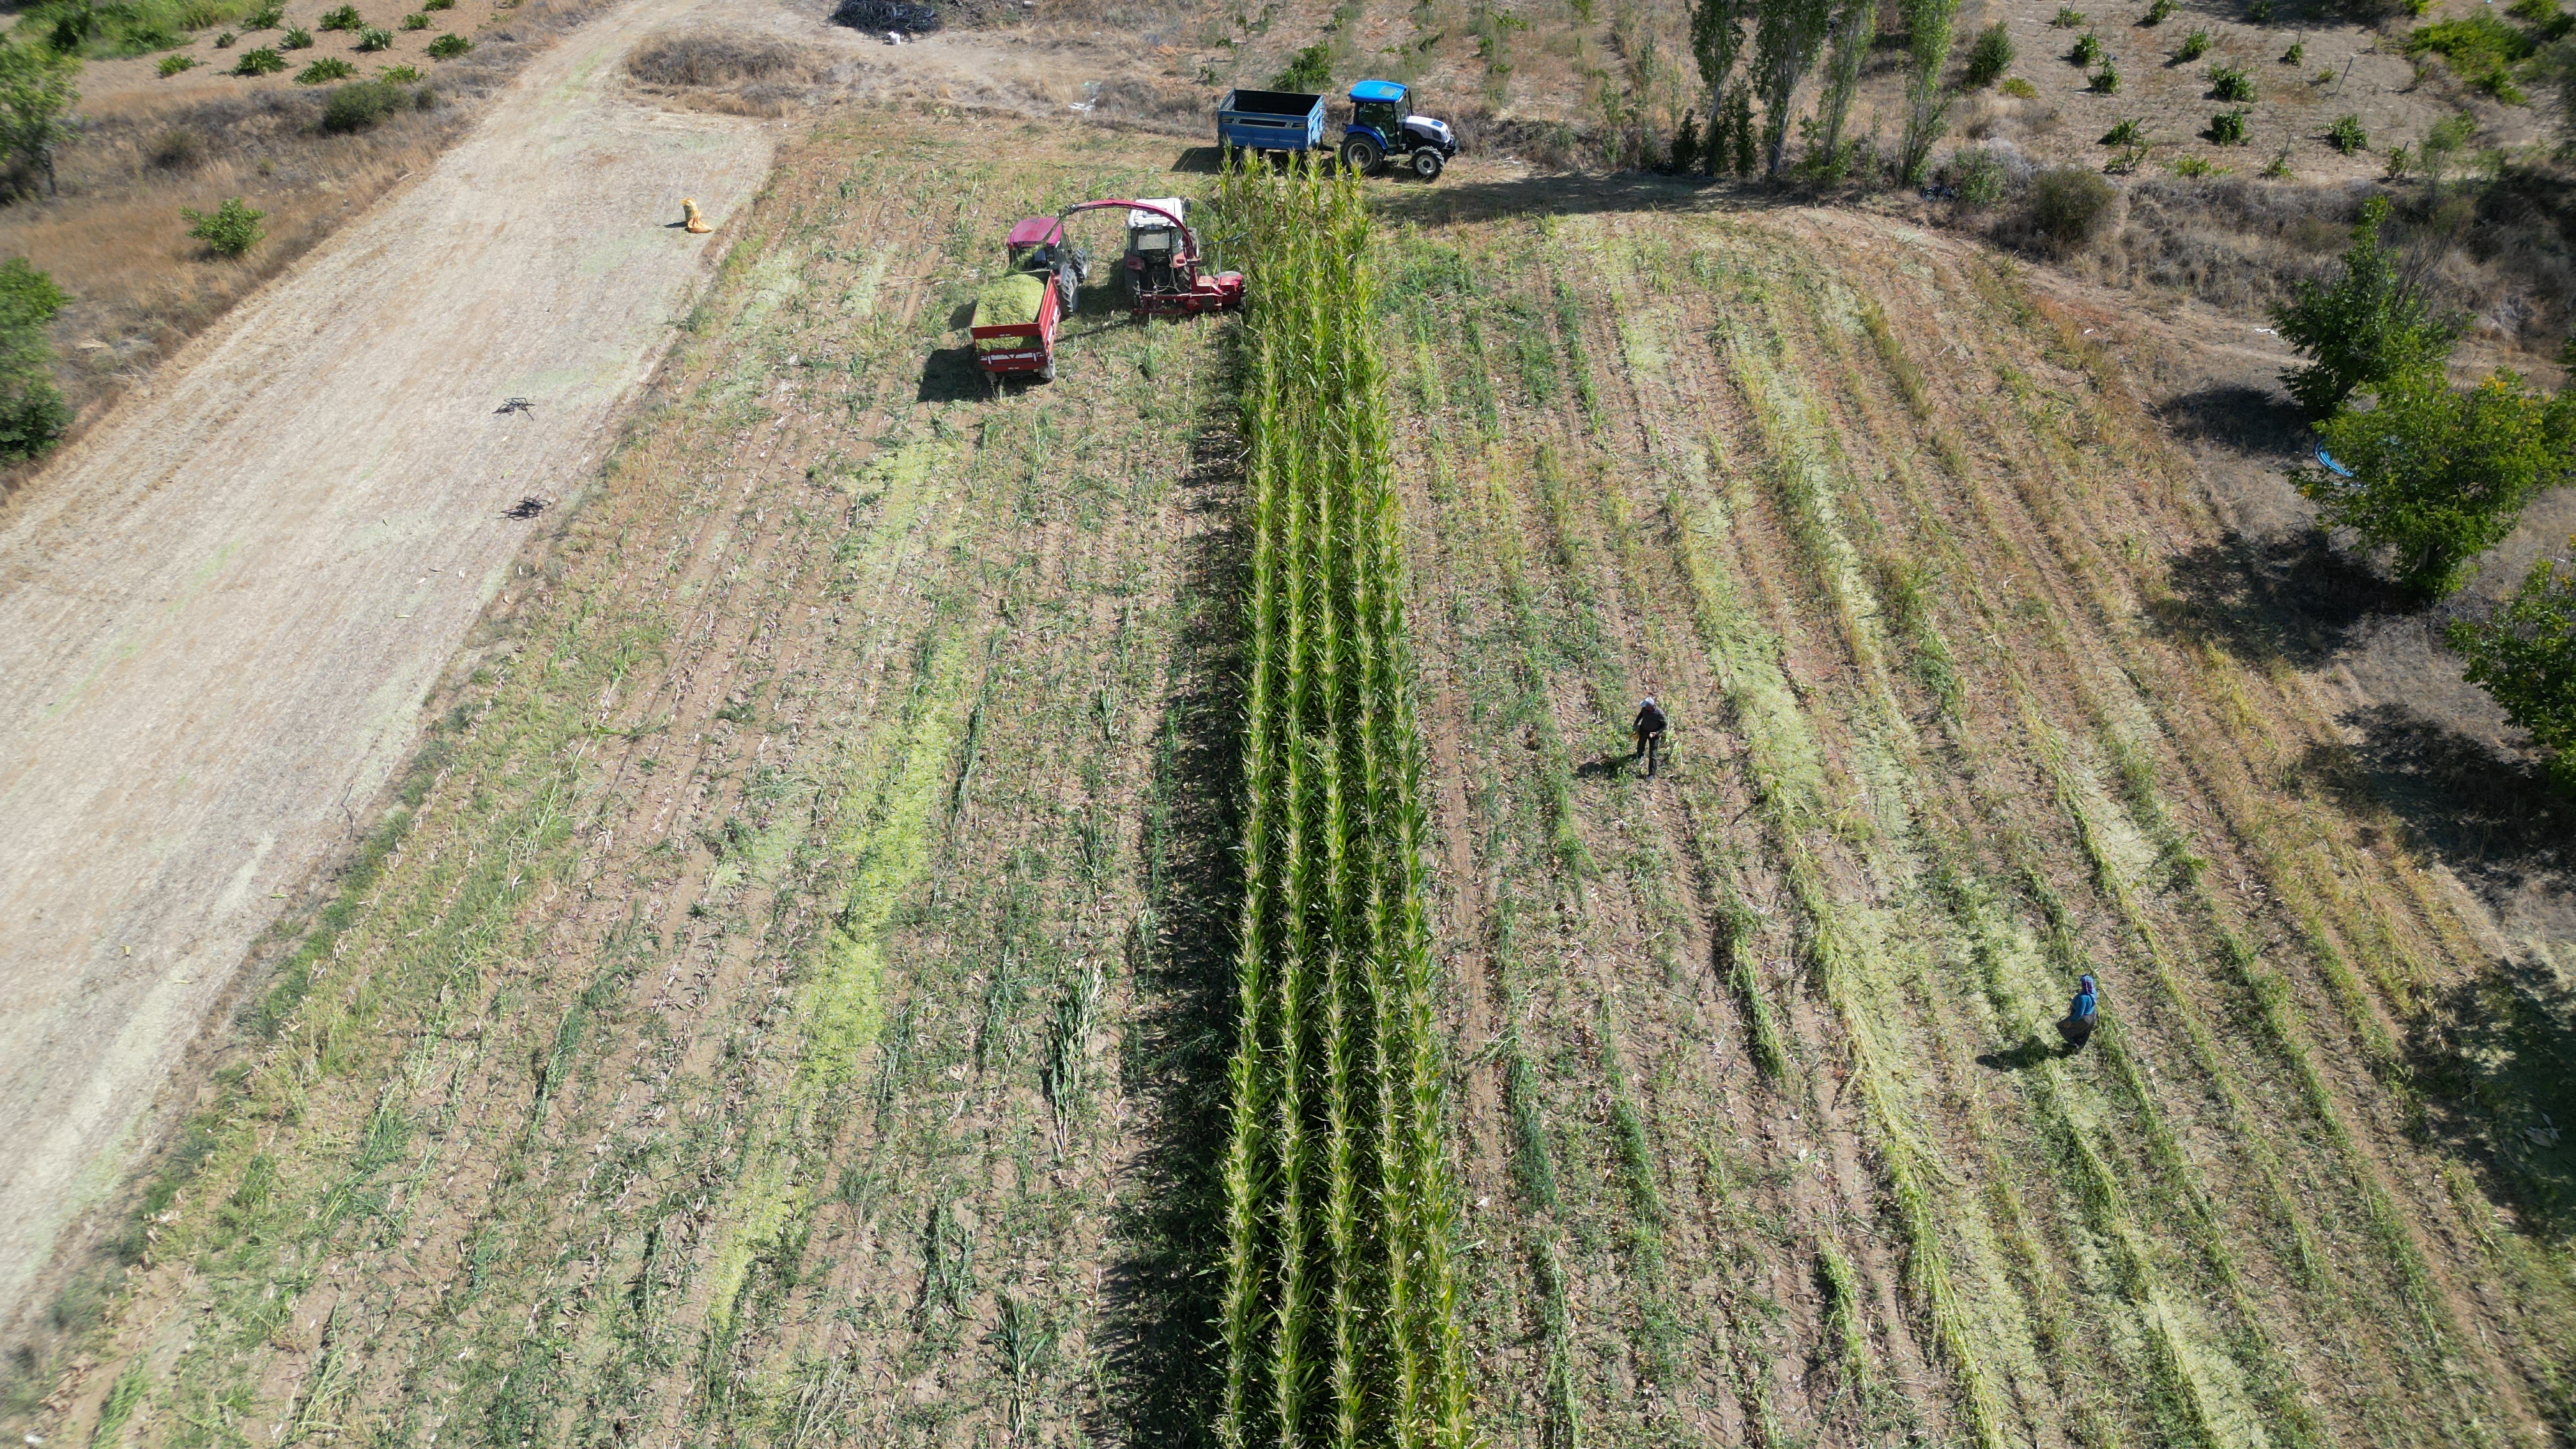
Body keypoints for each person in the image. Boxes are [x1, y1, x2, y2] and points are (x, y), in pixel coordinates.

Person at [2057, 972, 2099, 1053]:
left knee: (2061, 1027)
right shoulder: (2093, 991)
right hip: (2092, 1015)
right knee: (2083, 1034)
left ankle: (2073, 1045)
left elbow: (2079, 1013)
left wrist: (2070, 1021)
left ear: (2083, 986)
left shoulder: (2082, 998)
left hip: (2084, 1019)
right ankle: (2078, 1049)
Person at [1632, 696, 1669, 778]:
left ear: (1650, 707)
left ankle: (1652, 774)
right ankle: (1640, 755)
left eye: (1646, 706)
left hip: (1654, 735)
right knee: (1641, 743)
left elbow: (1665, 725)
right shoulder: (1645, 709)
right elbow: (1640, 715)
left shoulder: (1659, 714)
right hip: (1644, 730)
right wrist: (1636, 723)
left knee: (1653, 754)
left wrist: (1657, 733)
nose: (1644, 707)